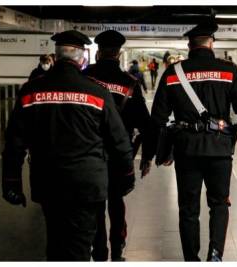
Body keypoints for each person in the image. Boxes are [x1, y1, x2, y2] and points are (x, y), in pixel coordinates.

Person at [1, 30, 135, 261]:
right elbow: (119, 140)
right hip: (87, 183)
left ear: (55, 56)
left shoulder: (31, 90)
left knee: (55, 241)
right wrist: (126, 176)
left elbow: (14, 142)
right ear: (82, 58)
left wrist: (11, 182)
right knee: (80, 245)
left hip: (48, 181)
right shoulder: (97, 92)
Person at [151, 20, 237, 262]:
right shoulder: (228, 70)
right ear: (212, 43)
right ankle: (215, 255)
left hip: (186, 149)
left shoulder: (173, 73)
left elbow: (157, 117)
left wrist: (156, 152)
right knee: (219, 204)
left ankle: (191, 258)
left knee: (188, 208)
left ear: (189, 45)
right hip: (220, 149)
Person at [83, 30, 156, 261]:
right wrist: (147, 157)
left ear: (98, 53)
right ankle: (117, 249)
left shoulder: (84, 79)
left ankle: (99, 251)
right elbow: (146, 124)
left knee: (95, 204)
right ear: (119, 53)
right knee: (116, 201)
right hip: (118, 155)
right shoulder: (129, 84)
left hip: (88, 154)